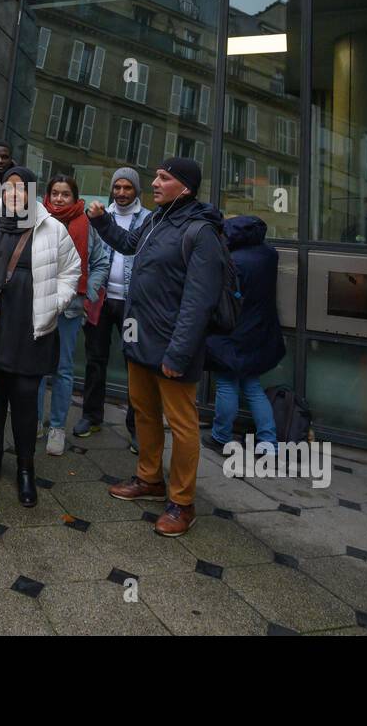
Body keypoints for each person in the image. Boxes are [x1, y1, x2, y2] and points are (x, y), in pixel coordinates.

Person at [88, 157, 225, 538]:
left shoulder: (202, 232)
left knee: (182, 427)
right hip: (139, 338)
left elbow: (199, 303)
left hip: (173, 348)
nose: (155, 182)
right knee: (144, 412)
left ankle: (182, 503)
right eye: (156, 175)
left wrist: (178, 354)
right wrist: (102, 222)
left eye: (163, 178)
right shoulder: (155, 219)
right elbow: (128, 244)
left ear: (186, 187)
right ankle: (149, 479)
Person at [0, 166, 80, 506]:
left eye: (21, 188)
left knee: (26, 399)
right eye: (8, 188)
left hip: (32, 329)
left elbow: (71, 271)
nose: (14, 194)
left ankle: (26, 468)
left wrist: (55, 304)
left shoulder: (52, 228)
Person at [76, 168, 151, 450]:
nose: (121, 192)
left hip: (132, 303)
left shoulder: (148, 219)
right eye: (117, 187)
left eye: (127, 187)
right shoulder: (98, 215)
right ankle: (91, 416)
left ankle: (136, 428)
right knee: (96, 359)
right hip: (101, 299)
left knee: (135, 364)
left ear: (136, 190)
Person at [36, 175, 108, 456]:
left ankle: (57, 428)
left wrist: (87, 291)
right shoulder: (38, 219)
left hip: (71, 308)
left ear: (75, 197)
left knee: (63, 369)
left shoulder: (87, 225)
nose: (58, 199)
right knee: (38, 368)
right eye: (54, 193)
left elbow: (101, 262)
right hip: (40, 304)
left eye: (65, 194)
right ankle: (34, 423)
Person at [203, 215, 285, 455]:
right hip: (260, 330)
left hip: (233, 331)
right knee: (252, 385)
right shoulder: (269, 255)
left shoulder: (233, 260)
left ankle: (221, 436)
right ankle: (269, 442)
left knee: (227, 383)